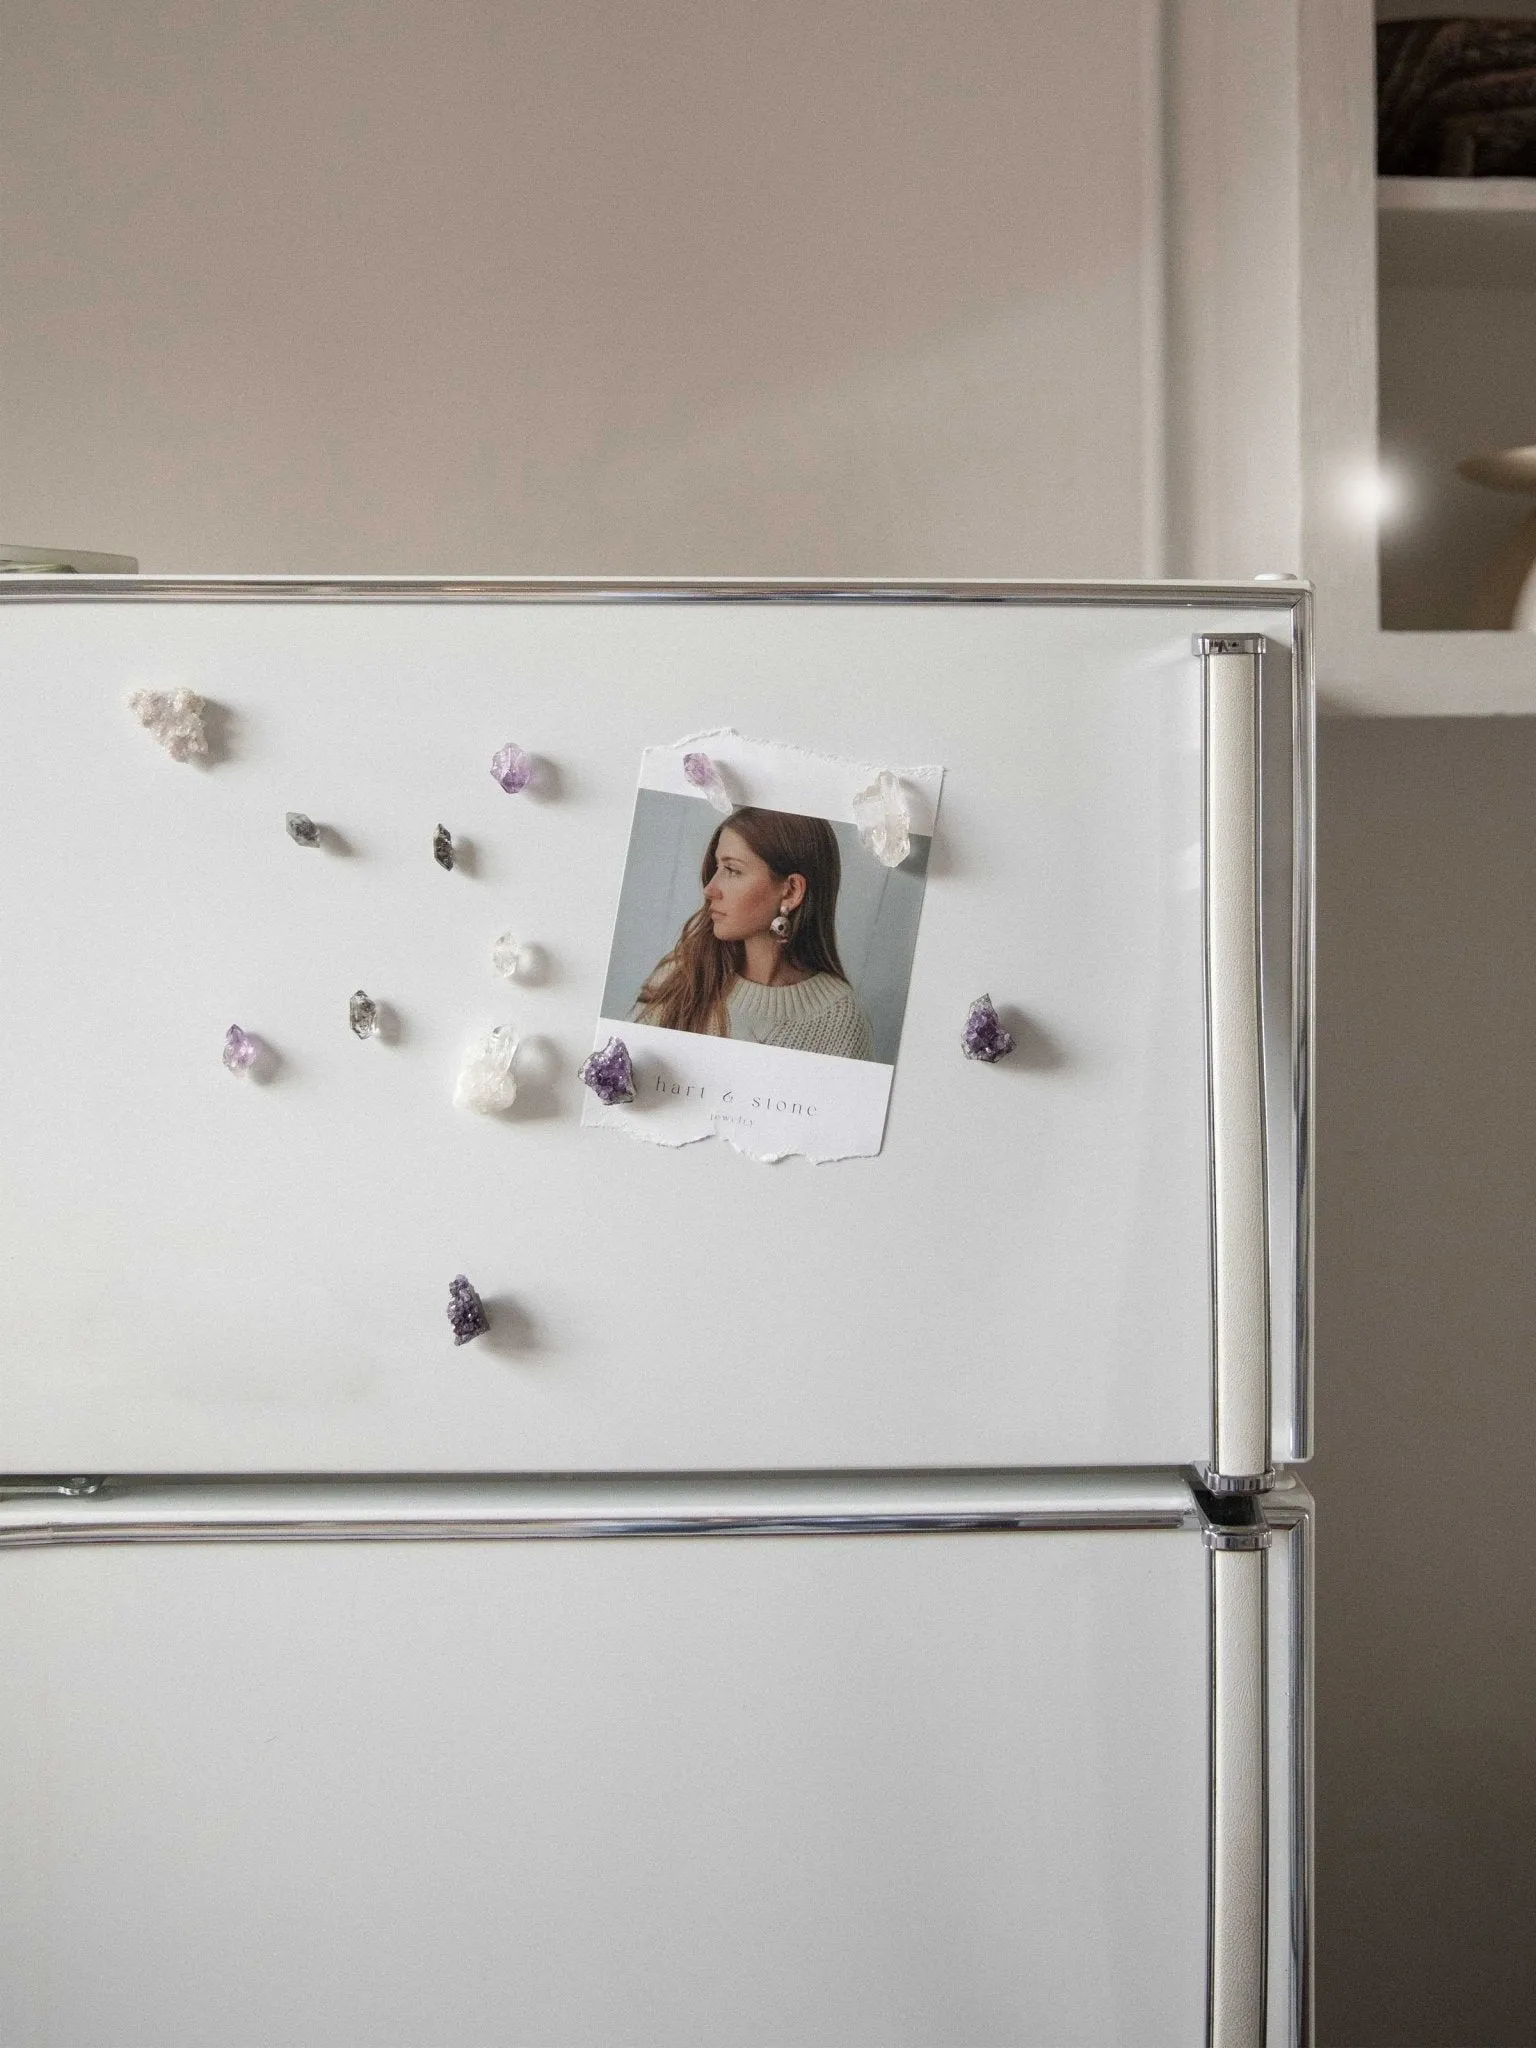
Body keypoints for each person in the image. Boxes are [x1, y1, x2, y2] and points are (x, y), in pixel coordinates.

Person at [635, 807, 875, 1060]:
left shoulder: (840, 1021)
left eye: (733, 870)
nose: (710, 889)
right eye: (717, 867)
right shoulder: (680, 974)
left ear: (791, 891)